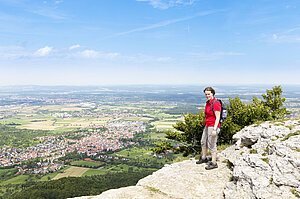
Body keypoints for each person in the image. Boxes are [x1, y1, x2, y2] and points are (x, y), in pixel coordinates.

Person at [196, 87, 221, 170]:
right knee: (203, 141)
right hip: (207, 125)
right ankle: (204, 158)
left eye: (209, 94)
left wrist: (215, 129)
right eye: (206, 94)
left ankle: (214, 163)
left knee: (212, 144)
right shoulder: (208, 103)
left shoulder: (215, 103)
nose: (207, 96)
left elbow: (218, 117)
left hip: (213, 126)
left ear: (212, 93)